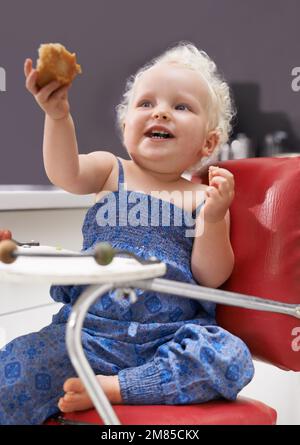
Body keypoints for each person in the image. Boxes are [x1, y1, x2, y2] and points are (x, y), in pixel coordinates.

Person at [0, 42, 254, 424]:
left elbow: (210, 277)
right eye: (146, 104)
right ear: (125, 126)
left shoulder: (205, 197)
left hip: (166, 337)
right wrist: (57, 116)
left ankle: (115, 386)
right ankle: (95, 378)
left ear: (209, 143)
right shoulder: (109, 170)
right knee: (13, 364)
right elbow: (64, 172)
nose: (161, 112)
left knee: (229, 357)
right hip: (87, 332)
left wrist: (215, 218)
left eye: (181, 106)